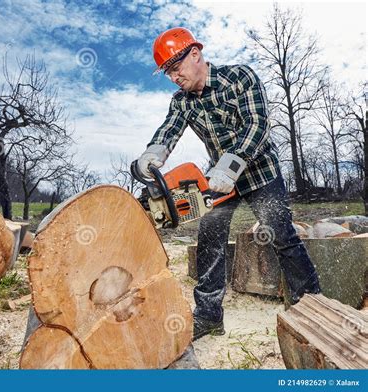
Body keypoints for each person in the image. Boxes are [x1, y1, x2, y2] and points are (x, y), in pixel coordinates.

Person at [135, 27, 321, 341]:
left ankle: (312, 307)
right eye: (167, 72)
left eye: (176, 68)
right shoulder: (182, 102)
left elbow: (258, 125)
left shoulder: (239, 78)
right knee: (209, 241)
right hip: (220, 183)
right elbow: (169, 129)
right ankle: (208, 318)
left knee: (282, 236)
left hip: (260, 172)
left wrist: (233, 163)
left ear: (195, 54)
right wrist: (153, 154)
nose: (174, 77)